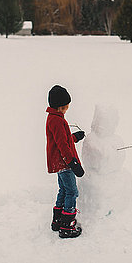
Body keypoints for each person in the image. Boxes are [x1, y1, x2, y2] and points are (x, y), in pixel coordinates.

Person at [46, 85, 86, 238]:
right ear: (59, 106)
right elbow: (62, 145)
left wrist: (74, 137)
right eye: (66, 106)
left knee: (63, 190)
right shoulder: (56, 121)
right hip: (64, 163)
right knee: (72, 192)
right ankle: (67, 225)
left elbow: (62, 140)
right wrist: (73, 163)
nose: (67, 108)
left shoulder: (55, 118)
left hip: (60, 162)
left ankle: (57, 221)